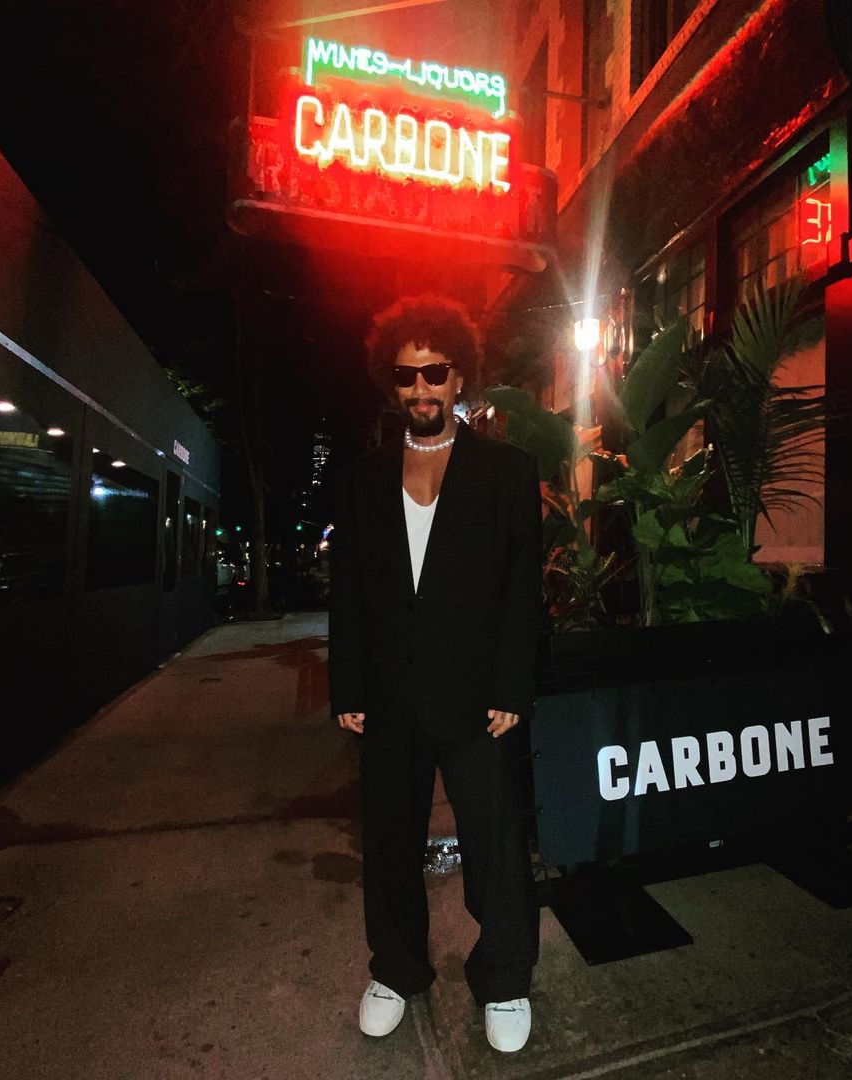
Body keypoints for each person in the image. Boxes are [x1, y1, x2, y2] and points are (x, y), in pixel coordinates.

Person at [328, 295, 543, 1053]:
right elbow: (350, 591)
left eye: (434, 372)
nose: (420, 388)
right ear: (391, 384)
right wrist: (348, 685)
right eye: (405, 375)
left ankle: (506, 977)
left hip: (477, 695)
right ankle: (396, 968)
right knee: (389, 841)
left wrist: (511, 687)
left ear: (459, 377)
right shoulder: (364, 477)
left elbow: (522, 590)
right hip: (390, 694)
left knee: (495, 841)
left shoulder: (506, 471)